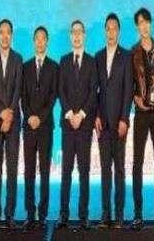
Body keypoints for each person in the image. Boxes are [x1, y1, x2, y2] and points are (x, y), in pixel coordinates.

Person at [56, 20, 97, 231]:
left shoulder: (91, 61)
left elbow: (93, 91)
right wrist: (70, 114)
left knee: (84, 170)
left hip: (85, 124)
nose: (77, 36)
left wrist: (81, 114)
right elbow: (60, 90)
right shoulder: (63, 61)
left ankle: (83, 215)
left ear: (85, 36)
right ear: (70, 36)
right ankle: (63, 214)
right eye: (74, 32)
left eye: (80, 32)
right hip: (67, 125)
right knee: (66, 170)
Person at [130, 8, 154, 230]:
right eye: (140, 23)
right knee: (137, 163)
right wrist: (135, 98)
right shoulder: (133, 52)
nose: (144, 26)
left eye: (146, 22)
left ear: (151, 24)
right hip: (141, 114)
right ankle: (138, 214)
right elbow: (130, 83)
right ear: (137, 27)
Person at [95, 13, 133, 230]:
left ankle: (119, 215)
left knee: (119, 169)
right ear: (105, 31)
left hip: (119, 123)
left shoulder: (126, 56)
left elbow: (128, 90)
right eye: (108, 28)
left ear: (119, 31)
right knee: (104, 171)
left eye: (114, 28)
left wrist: (124, 119)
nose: (111, 32)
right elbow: (95, 91)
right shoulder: (98, 56)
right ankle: (105, 214)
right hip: (102, 124)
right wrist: (96, 116)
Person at [0, 19, 23, 229]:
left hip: (14, 122)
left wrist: (9, 116)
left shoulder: (18, 59)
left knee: (12, 170)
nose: (5, 36)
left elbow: (18, 89)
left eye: (8, 32)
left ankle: (10, 215)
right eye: (2, 32)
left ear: (12, 36)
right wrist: (1, 113)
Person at [21, 26, 58, 229]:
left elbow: (53, 96)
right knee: (29, 171)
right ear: (34, 41)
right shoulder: (25, 67)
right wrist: (29, 117)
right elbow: (22, 96)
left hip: (45, 127)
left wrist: (40, 118)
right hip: (28, 126)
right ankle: (30, 213)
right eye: (37, 38)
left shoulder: (54, 67)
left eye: (44, 38)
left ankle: (42, 214)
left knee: (44, 171)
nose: (40, 41)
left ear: (47, 42)